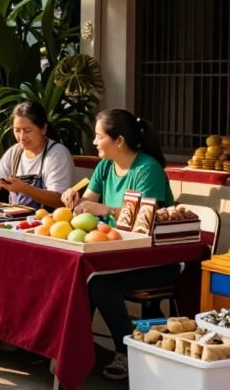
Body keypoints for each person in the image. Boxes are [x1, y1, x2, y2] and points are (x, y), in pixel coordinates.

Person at [61, 109, 175, 381]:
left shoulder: (148, 170)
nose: (94, 143)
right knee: (79, 277)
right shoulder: (105, 166)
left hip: (155, 260)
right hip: (114, 255)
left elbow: (143, 220)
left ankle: (126, 352)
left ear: (119, 140)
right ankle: (73, 351)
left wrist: (105, 208)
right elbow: (86, 204)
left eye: (99, 137)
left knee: (98, 283)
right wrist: (74, 200)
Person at [0, 101, 75, 209]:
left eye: (27, 131)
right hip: (15, 222)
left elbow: (60, 199)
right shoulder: (15, 152)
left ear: (43, 129)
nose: (21, 137)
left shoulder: (57, 154)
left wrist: (23, 188)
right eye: (17, 131)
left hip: (48, 222)